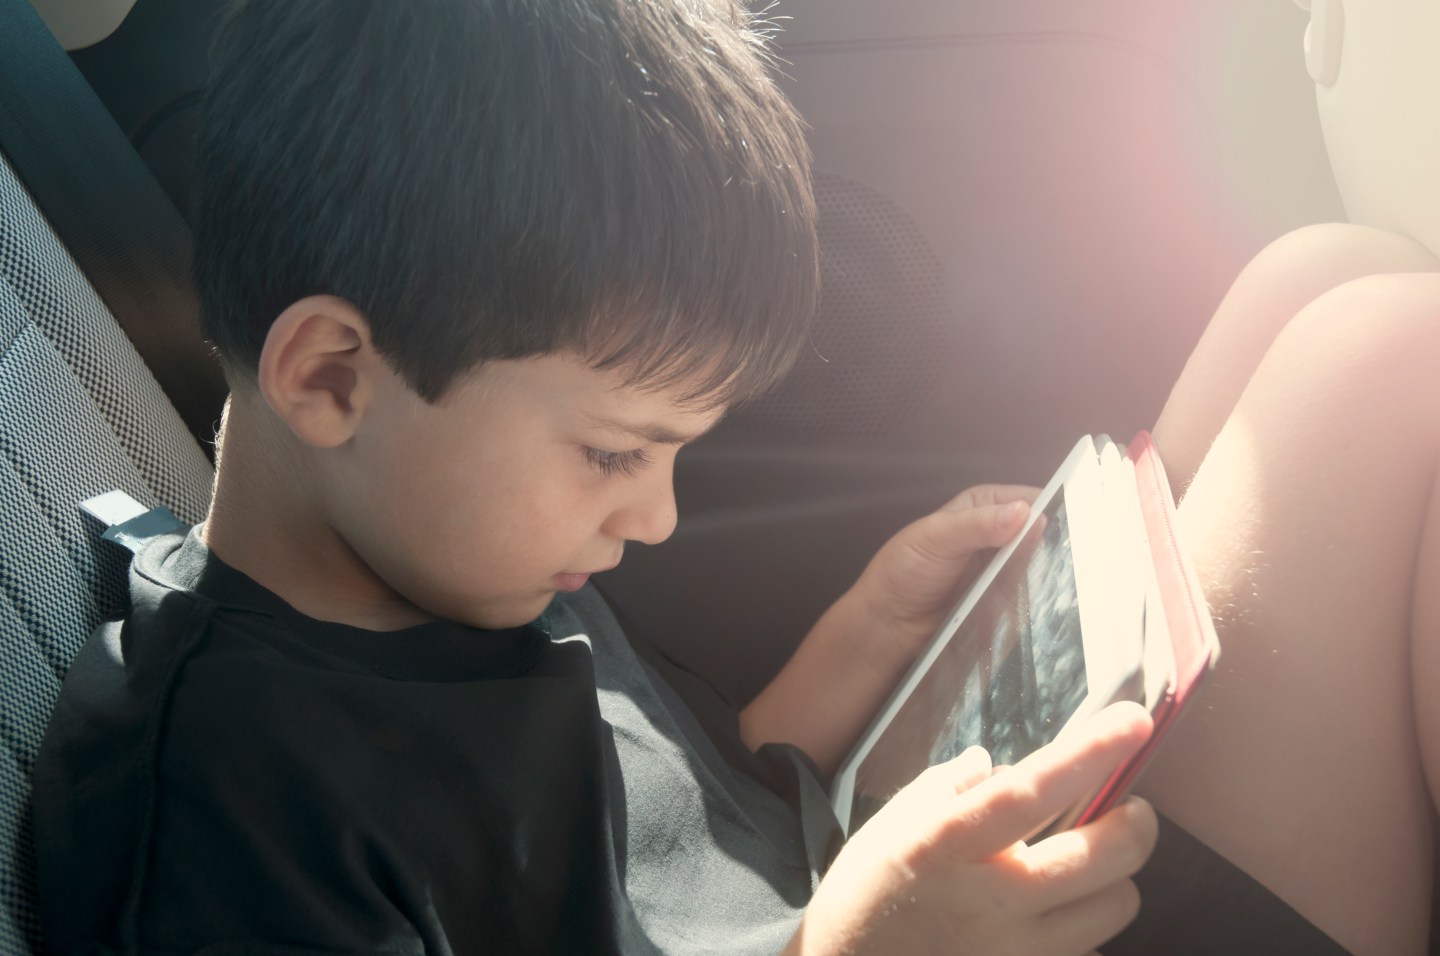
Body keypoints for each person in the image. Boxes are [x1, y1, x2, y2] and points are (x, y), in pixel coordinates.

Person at [28, 1, 1440, 955]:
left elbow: (649, 849)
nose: (656, 515)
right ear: (331, 376)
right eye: (616, 453)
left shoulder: (450, 553)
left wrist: (858, 653)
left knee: (1316, 277)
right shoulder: (221, 817)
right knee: (1387, 364)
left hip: (846, 887)